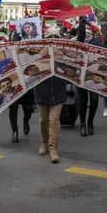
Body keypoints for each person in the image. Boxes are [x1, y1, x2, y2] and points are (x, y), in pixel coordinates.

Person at [35, 27, 68, 163]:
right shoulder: (39, 53)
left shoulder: (63, 54)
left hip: (58, 91)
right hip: (42, 91)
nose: (53, 39)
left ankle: (53, 148)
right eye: (50, 37)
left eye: (55, 37)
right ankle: (44, 142)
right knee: (43, 120)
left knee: (54, 121)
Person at [76, 16, 100, 137]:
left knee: (94, 100)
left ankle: (90, 121)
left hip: (94, 75)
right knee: (82, 100)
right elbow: (80, 40)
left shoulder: (96, 42)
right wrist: (81, 28)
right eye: (85, 30)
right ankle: (82, 124)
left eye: (88, 30)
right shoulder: (78, 42)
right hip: (80, 75)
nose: (87, 33)